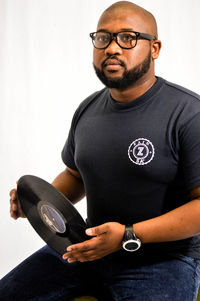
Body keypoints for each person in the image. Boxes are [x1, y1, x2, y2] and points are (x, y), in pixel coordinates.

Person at [1, 1, 200, 300]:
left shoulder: (188, 113)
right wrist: (38, 204)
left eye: (128, 38)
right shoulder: (88, 109)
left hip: (163, 260)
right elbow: (76, 176)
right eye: (103, 38)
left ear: (155, 48)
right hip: (88, 247)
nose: (112, 48)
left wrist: (128, 235)